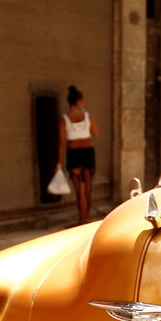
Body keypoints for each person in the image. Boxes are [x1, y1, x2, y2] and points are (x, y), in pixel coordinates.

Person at [58, 85, 99, 225]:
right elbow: (96, 133)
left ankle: (81, 221)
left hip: (73, 153)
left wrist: (58, 163)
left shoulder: (64, 119)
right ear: (79, 101)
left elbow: (61, 143)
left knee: (79, 190)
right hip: (88, 151)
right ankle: (86, 220)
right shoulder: (87, 116)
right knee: (88, 188)